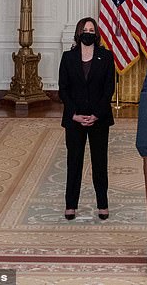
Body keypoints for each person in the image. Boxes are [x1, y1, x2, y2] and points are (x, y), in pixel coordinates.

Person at [59, 17, 115, 221]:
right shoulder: (68, 57)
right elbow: (63, 89)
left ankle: (103, 204)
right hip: (74, 119)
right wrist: (74, 114)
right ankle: (70, 205)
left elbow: (109, 88)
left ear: (96, 34)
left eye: (92, 30)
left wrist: (96, 114)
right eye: (85, 29)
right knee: (74, 162)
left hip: (99, 119)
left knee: (100, 162)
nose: (88, 33)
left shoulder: (106, 57)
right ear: (78, 33)